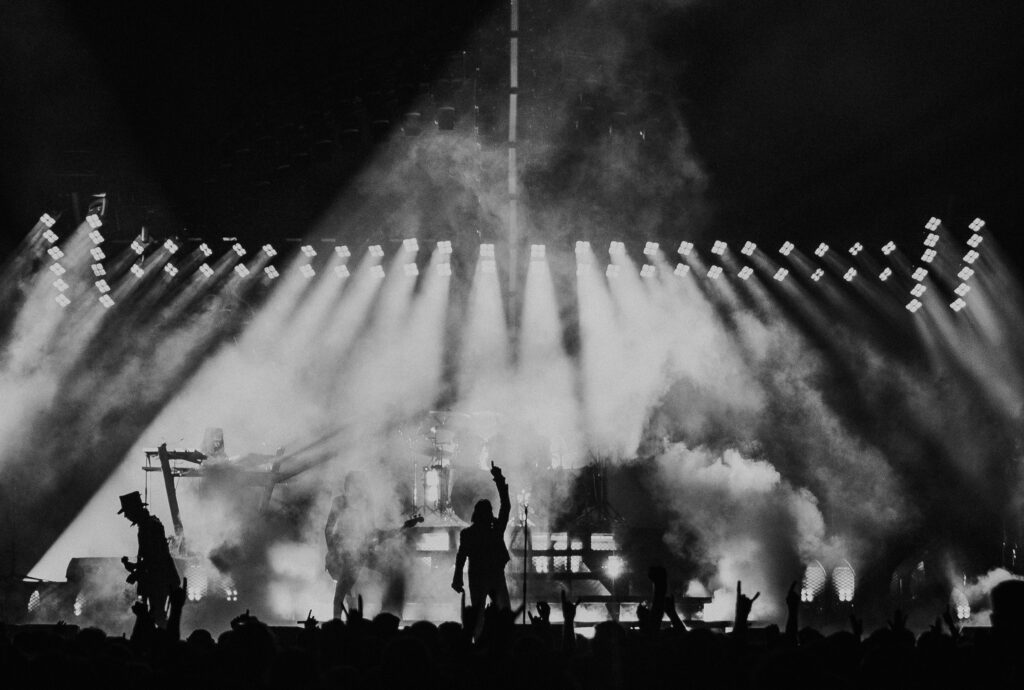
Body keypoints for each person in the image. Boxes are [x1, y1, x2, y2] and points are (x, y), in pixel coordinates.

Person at [451, 463, 511, 610]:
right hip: (495, 574)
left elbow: (461, 558)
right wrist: (499, 480)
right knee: (504, 612)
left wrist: (457, 578)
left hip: (477, 576)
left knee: (478, 613)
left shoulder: (468, 534)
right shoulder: (496, 530)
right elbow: (505, 506)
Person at [118, 491, 180, 627]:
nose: (126, 516)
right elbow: (151, 556)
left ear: (134, 510)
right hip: (160, 578)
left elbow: (155, 557)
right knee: (155, 615)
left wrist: (136, 573)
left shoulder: (149, 526)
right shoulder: (149, 524)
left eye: (127, 512)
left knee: (156, 615)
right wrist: (135, 567)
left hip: (160, 579)